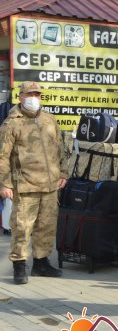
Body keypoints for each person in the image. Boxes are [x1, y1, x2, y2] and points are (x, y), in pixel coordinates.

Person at [0, 81, 67, 284]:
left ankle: (41, 263)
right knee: (22, 227)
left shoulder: (49, 120)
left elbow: (60, 147)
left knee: (46, 226)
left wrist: (63, 173)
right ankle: (19, 265)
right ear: (20, 97)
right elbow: (2, 156)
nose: (34, 97)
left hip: (50, 185)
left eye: (37, 94)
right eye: (30, 94)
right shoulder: (12, 123)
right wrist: (4, 184)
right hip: (25, 185)